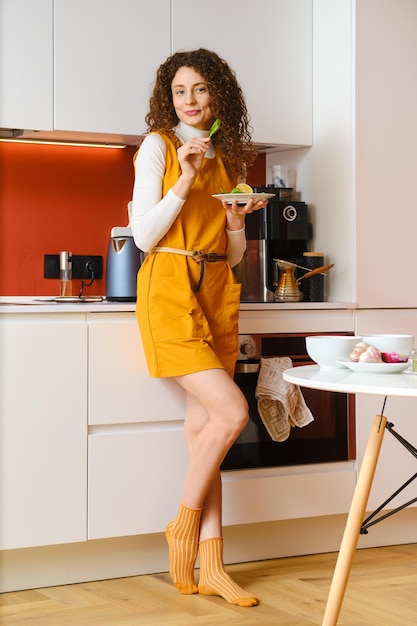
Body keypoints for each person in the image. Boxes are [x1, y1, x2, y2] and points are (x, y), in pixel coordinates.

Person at [131, 48, 268, 607]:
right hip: (168, 287)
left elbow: (232, 256)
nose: (190, 101)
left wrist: (236, 224)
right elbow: (143, 236)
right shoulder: (158, 147)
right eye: (180, 92)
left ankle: (211, 563)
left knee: (203, 432)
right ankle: (182, 529)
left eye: (201, 91)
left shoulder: (230, 158)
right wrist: (184, 180)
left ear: (219, 97)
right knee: (233, 412)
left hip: (216, 288)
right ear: (169, 98)